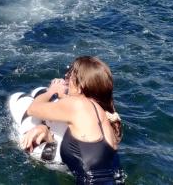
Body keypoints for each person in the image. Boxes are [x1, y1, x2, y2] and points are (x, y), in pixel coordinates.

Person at [24, 56, 124, 184]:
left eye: (71, 73)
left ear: (80, 85)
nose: (67, 77)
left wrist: (51, 91)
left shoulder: (77, 105)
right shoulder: (106, 116)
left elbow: (33, 109)